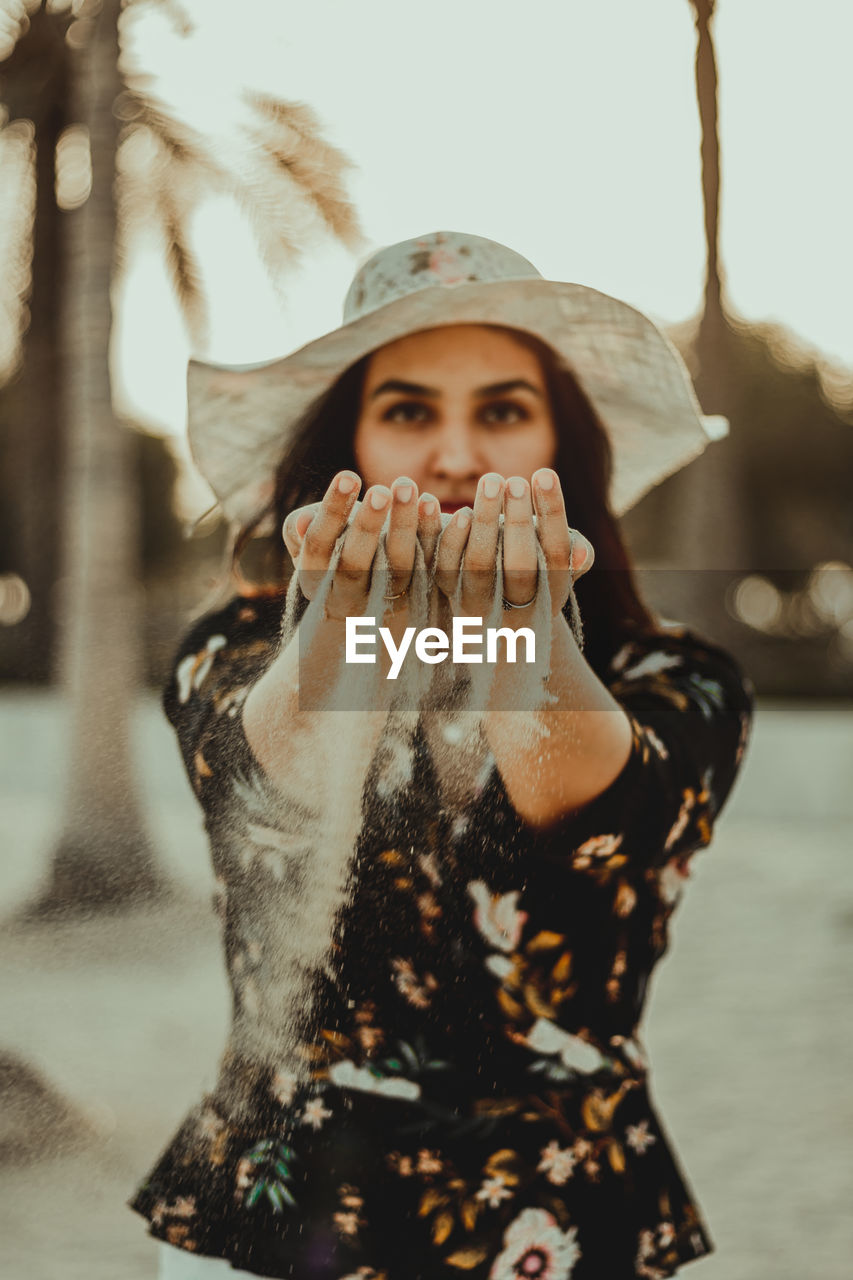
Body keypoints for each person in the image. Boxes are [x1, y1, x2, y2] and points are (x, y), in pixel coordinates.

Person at [129, 231, 754, 1280]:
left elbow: (599, 796)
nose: (456, 455)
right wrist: (339, 622)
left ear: (565, 444)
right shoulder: (238, 646)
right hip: (277, 1213)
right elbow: (263, 761)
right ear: (350, 443)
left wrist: (516, 622)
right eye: (408, 409)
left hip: (562, 1217)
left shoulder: (676, 675)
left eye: (502, 410)